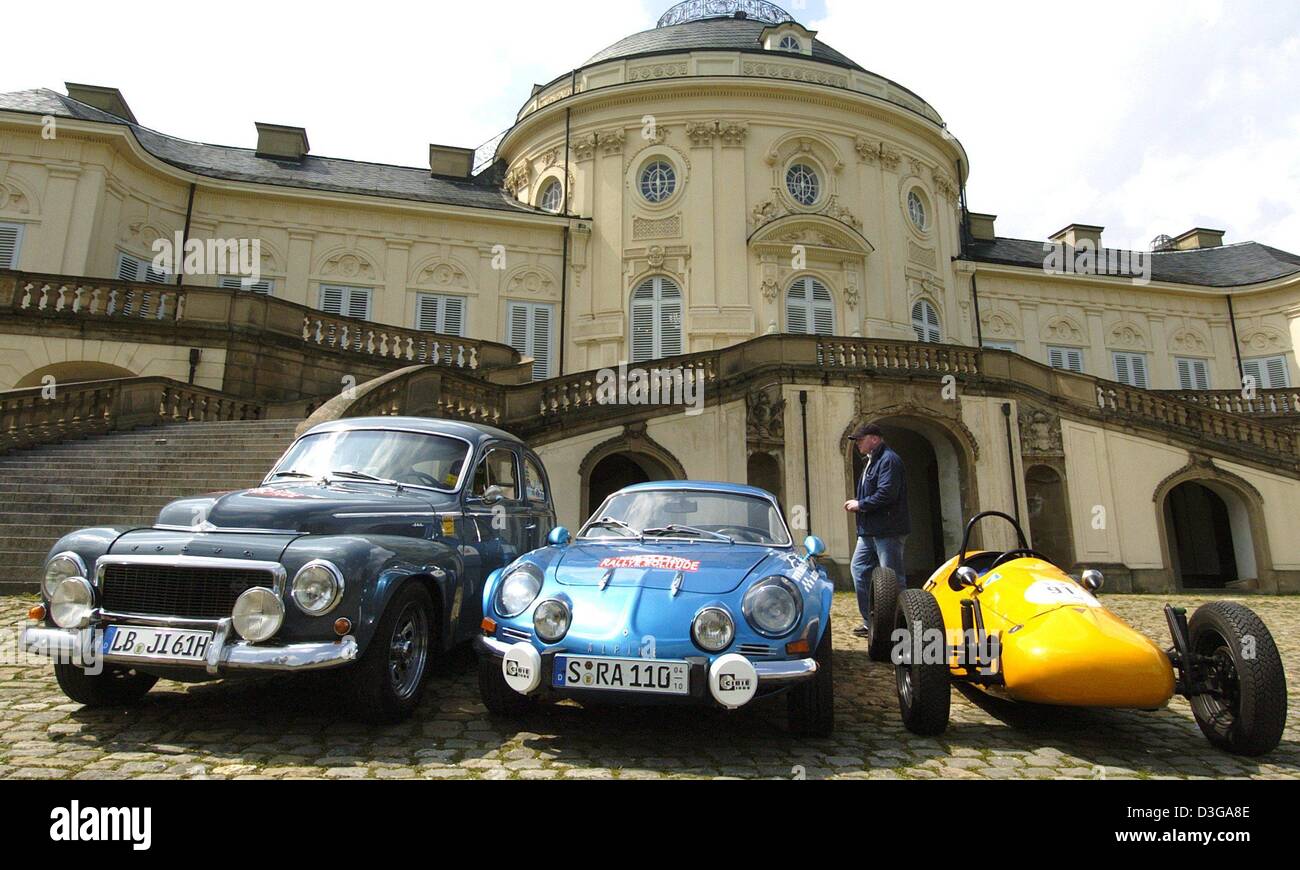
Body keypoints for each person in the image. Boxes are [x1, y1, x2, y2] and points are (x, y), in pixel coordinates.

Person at [843, 422, 910, 638]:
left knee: (892, 577)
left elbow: (887, 494)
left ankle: (898, 625)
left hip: (888, 530)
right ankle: (870, 621)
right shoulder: (873, 461)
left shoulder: (889, 460)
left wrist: (860, 504)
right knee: (859, 569)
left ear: (874, 439)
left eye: (860, 440)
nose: (857, 444)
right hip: (870, 531)